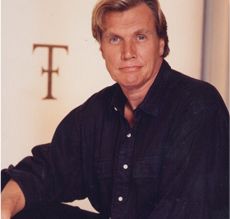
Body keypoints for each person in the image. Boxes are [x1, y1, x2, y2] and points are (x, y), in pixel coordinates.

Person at [1, 0, 229, 218]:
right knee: (22, 208)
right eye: (115, 39)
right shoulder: (96, 113)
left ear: (161, 43)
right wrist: (5, 207)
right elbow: (45, 170)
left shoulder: (199, 106)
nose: (127, 52)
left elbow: (187, 211)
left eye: (140, 37)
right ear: (101, 49)